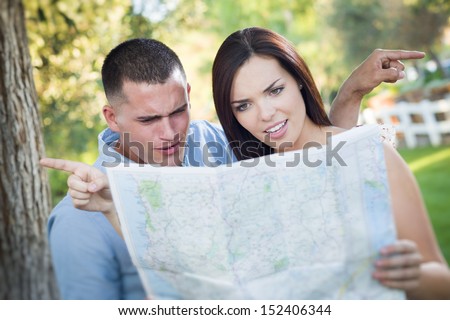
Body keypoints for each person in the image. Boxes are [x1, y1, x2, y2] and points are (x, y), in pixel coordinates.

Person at [41, 37, 426, 299]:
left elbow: (312, 160)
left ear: (189, 96)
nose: (170, 132)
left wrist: (349, 95)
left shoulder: (222, 141)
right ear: (112, 116)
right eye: (148, 120)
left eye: (178, 111)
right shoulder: (78, 221)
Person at [210, 27, 450, 299]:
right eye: (243, 105)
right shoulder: (244, 186)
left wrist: (413, 276)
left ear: (299, 79)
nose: (265, 114)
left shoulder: (372, 156)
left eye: (275, 90)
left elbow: (443, 283)